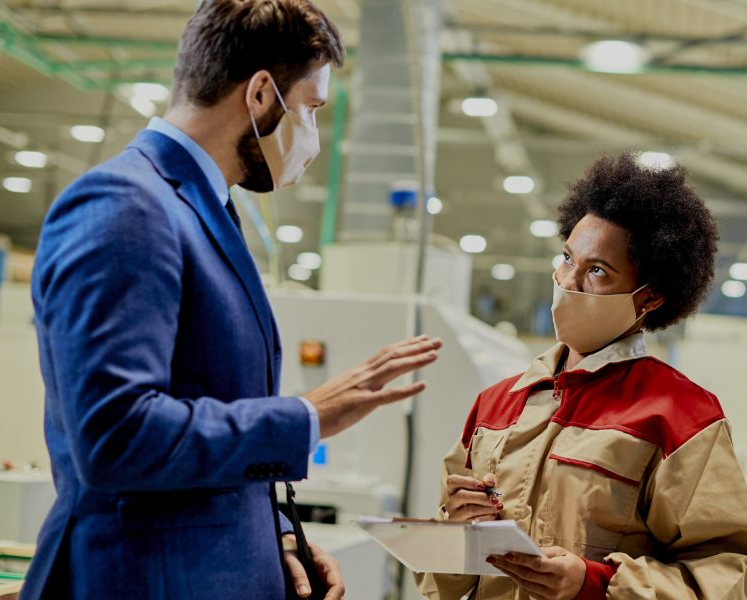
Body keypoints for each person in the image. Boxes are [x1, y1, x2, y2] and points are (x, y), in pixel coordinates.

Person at [22, 1, 442, 598]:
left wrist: (273, 538)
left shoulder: (204, 207)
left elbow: (202, 418)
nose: (313, 136)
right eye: (312, 109)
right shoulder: (127, 205)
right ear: (263, 95)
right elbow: (115, 435)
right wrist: (309, 416)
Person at [416, 154, 747, 600]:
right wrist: (456, 533)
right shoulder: (497, 404)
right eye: (567, 258)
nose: (569, 282)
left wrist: (596, 584)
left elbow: (728, 572)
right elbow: (441, 586)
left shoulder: (680, 416)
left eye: (597, 271)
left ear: (650, 297)